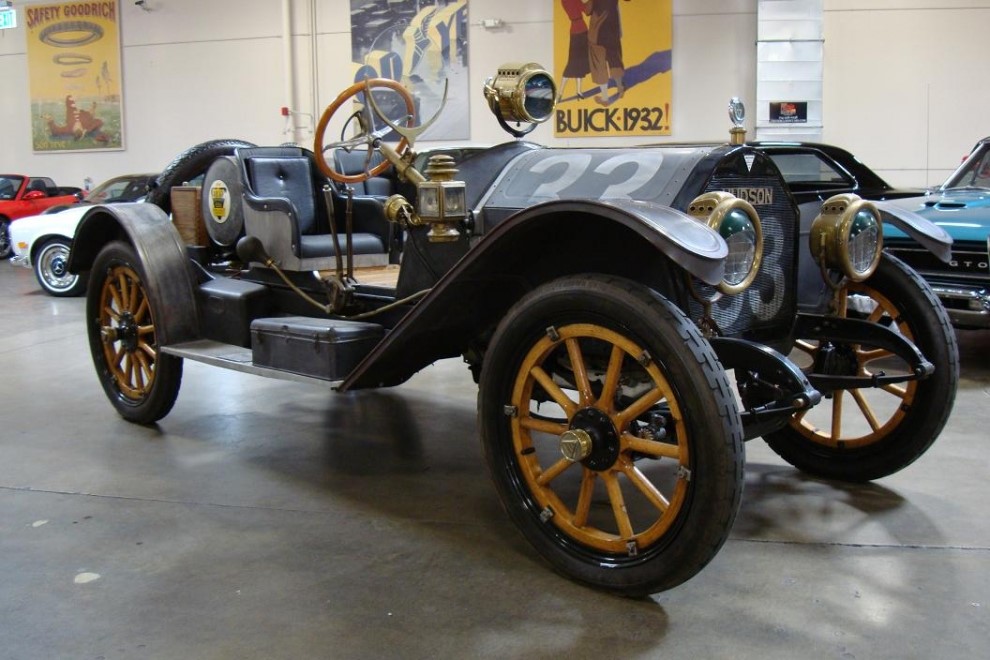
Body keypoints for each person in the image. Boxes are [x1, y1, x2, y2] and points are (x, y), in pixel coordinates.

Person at [588, 0, 626, 105]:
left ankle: (605, 98)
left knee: (599, 66)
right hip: (613, 31)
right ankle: (620, 89)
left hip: (598, 34)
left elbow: (587, 10)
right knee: (615, 60)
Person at [558, 0, 591, 103]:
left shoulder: (563, 1)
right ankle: (575, 91)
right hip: (582, 29)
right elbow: (586, 10)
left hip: (574, 30)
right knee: (577, 62)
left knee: (575, 62)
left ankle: (564, 92)